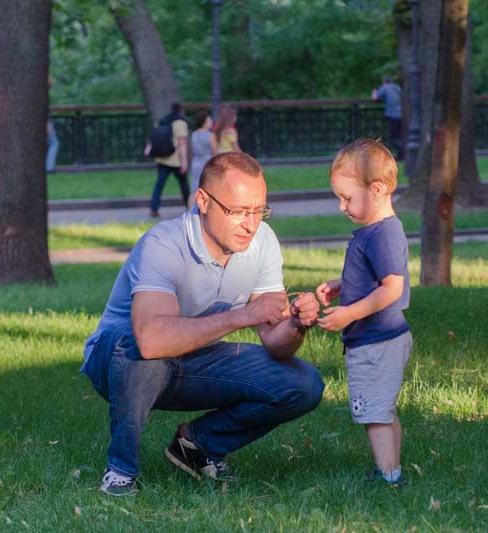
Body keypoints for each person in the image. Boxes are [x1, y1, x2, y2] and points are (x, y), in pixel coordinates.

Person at [82, 152, 325, 497]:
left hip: (197, 359)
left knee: (303, 383)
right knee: (135, 343)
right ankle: (121, 471)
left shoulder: (263, 241)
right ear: (203, 201)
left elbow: (275, 342)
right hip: (119, 362)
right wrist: (242, 315)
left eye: (259, 210)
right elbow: (150, 340)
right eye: (238, 211)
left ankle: (197, 446)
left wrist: (298, 325)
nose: (250, 224)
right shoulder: (163, 245)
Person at [315, 138, 411, 488]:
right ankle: (391, 468)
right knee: (381, 407)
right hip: (378, 339)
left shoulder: (384, 233)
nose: (342, 206)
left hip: (377, 341)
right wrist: (343, 284)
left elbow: (392, 288)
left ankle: (388, 477)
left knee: (374, 412)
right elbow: (374, 277)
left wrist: (349, 313)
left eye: (347, 197)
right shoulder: (377, 231)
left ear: (377, 189)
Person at [148, 102, 189, 218]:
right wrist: (185, 161)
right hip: (175, 160)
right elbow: (182, 144)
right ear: (180, 111)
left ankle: (154, 208)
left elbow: (154, 138)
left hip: (161, 159)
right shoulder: (180, 123)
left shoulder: (163, 120)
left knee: (159, 185)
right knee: (184, 186)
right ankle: (189, 207)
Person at [188, 111, 218, 207]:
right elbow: (215, 152)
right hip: (207, 163)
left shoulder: (193, 135)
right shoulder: (210, 135)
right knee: (209, 187)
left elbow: (191, 150)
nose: (211, 122)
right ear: (204, 122)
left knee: (194, 190)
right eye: (209, 120)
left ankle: (190, 211)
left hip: (196, 162)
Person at [371, 77, 403, 160]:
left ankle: (404, 151)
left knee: (393, 137)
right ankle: (401, 155)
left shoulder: (385, 87)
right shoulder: (397, 87)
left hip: (392, 115)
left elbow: (375, 98)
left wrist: (374, 91)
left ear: (384, 82)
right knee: (400, 136)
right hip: (402, 114)